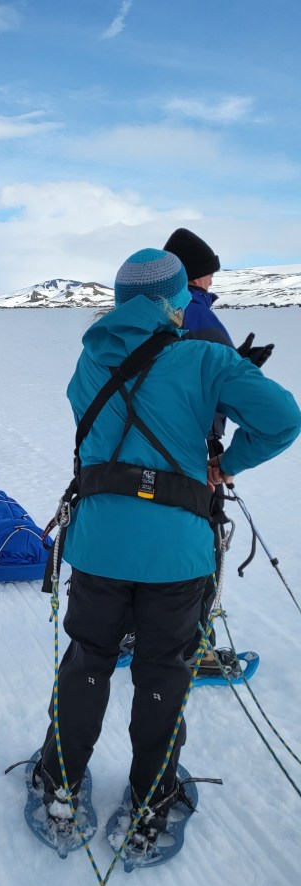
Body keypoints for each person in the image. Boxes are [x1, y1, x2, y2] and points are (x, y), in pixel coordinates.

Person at [33, 248, 300, 852]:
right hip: (178, 555)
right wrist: (223, 467)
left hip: (99, 545)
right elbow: (283, 419)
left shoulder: (88, 361)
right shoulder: (204, 358)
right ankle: (152, 797)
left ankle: (60, 783)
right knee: (164, 671)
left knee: (87, 662)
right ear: (172, 302)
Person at [162, 227, 275, 673]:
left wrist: (237, 359)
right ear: (195, 274)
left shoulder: (159, 310)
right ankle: (195, 648)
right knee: (200, 544)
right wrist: (243, 368)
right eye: (209, 273)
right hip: (195, 448)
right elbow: (221, 383)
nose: (213, 281)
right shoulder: (199, 313)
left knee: (155, 536)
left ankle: (140, 630)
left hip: (150, 443)